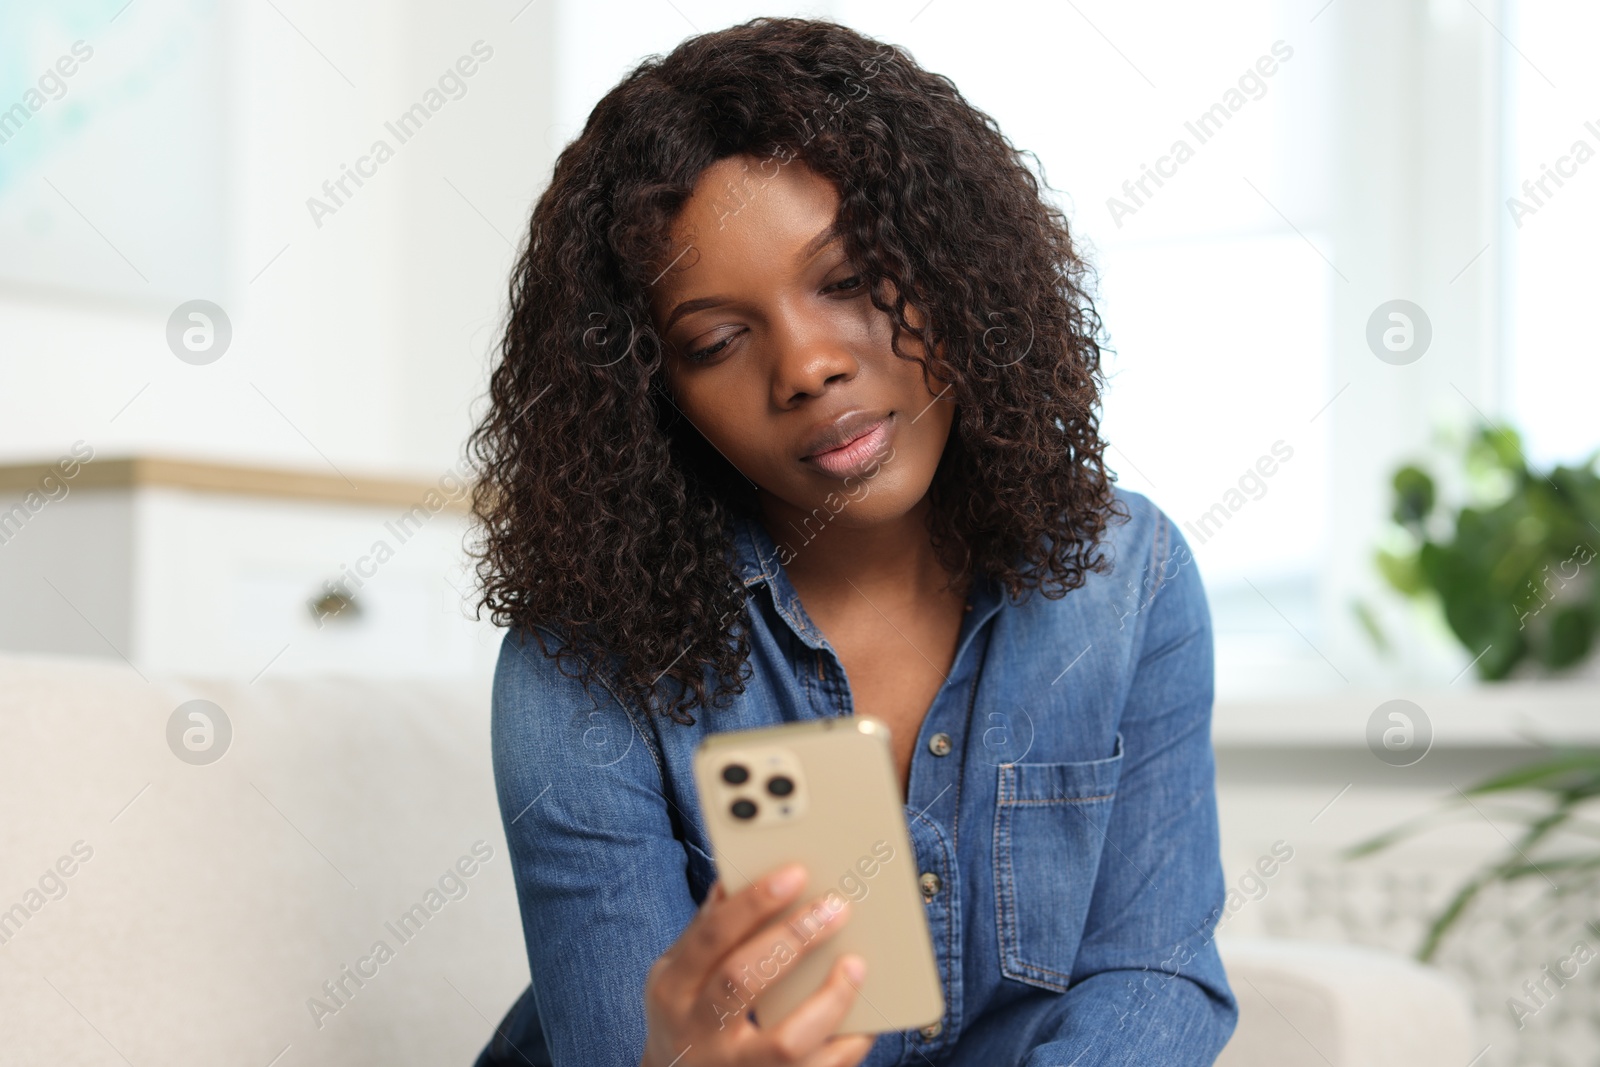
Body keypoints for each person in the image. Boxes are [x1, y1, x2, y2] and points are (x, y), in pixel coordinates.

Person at [467, 16, 1236, 1066]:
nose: (807, 365)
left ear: (955, 264)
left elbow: (1149, 972)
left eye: (845, 278)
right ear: (654, 397)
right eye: (715, 341)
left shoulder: (1125, 580)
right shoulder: (581, 666)